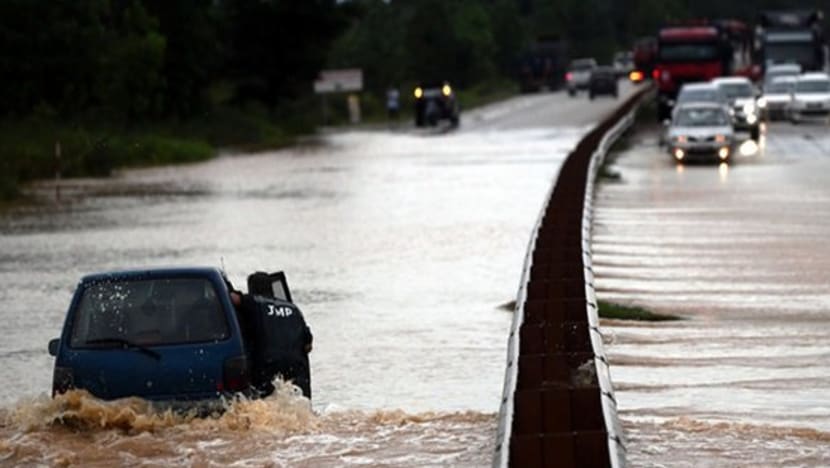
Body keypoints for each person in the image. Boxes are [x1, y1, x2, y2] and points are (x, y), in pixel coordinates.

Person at [228, 273, 313, 399]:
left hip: (268, 366)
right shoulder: (293, 308)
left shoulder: (253, 301)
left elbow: (233, 298)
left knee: (266, 405)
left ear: (252, 288)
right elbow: (308, 345)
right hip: (297, 367)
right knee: (300, 403)